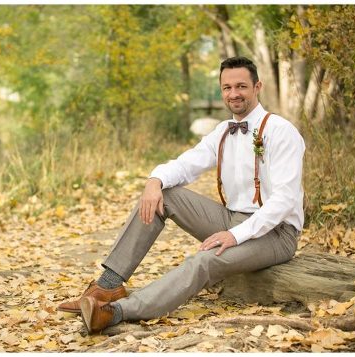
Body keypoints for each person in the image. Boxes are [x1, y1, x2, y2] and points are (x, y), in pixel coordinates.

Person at [57, 56, 305, 334]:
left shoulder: (281, 131)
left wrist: (235, 236)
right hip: (232, 218)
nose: (234, 94)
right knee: (165, 194)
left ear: (257, 87)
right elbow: (186, 164)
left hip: (276, 233)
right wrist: (154, 180)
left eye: (241, 86)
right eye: (227, 87)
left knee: (205, 260)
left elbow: (284, 200)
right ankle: (108, 286)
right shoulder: (223, 132)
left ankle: (115, 312)